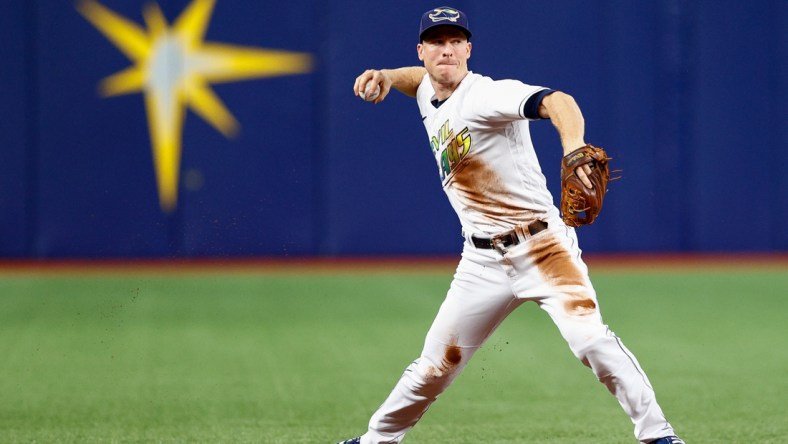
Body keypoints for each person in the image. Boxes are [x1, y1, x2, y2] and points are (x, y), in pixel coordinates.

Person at [339, 6, 684, 444]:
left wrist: (573, 145)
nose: (446, 50)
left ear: (468, 48)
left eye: (454, 41)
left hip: (542, 248)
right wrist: (388, 75)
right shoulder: (429, 88)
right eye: (436, 42)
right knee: (434, 367)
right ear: (422, 50)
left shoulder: (486, 95)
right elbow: (418, 82)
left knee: (591, 342)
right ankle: (376, 441)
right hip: (481, 261)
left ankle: (659, 437)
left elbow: (559, 101)